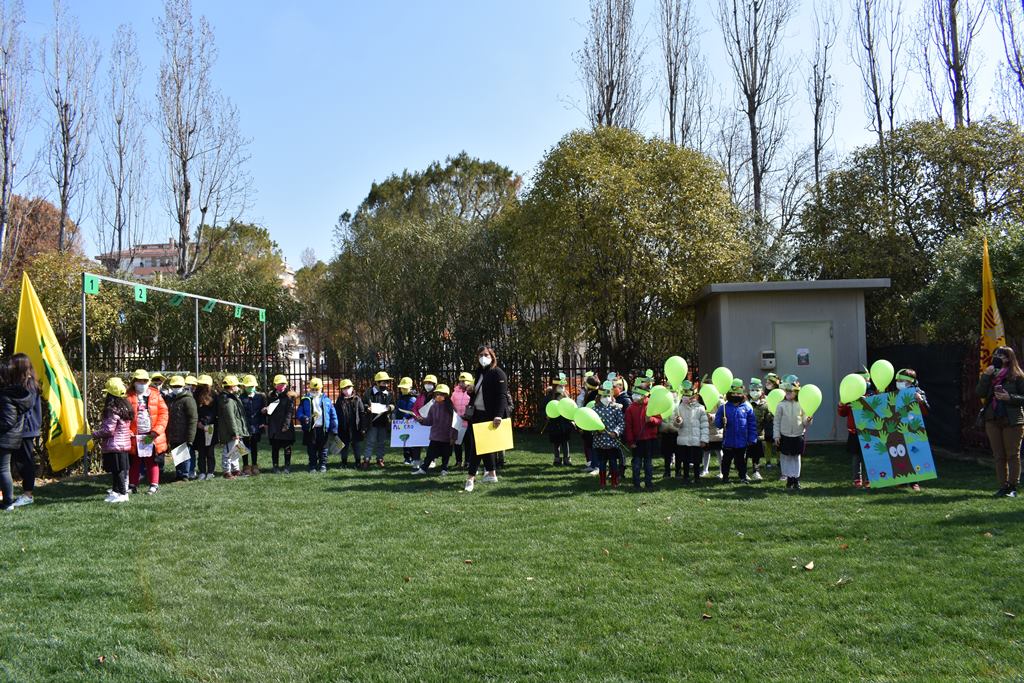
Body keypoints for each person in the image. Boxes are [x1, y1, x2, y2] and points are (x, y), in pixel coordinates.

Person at [977, 346, 1024, 497]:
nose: (997, 357)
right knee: (998, 455)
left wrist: (1010, 398)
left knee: (1012, 454)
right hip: (992, 419)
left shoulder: (1018, 376)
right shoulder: (990, 374)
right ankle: (1003, 486)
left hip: (1012, 420)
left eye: (1001, 355)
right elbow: (980, 393)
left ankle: (1012, 486)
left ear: (1009, 358)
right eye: (995, 354)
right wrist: (986, 376)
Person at [462, 345, 508, 493]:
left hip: (490, 415)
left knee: (478, 446)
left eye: (486, 355)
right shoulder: (480, 372)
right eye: (481, 355)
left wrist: (498, 415)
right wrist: (471, 391)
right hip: (477, 413)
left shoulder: (498, 373)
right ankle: (491, 474)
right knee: (484, 446)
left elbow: (502, 396)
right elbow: (482, 394)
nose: (483, 357)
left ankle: (470, 477)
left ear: (492, 357)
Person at [91, 377, 133, 503]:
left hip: (114, 445)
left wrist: (93, 434)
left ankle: (123, 494)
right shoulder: (125, 407)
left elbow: (109, 430)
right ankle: (115, 492)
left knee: (117, 471)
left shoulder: (112, 409)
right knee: (117, 470)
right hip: (123, 444)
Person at [127, 369, 169, 495]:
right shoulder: (128, 396)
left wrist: (156, 431)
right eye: (139, 381)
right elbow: (124, 417)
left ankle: (154, 485)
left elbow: (164, 414)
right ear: (134, 382)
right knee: (135, 461)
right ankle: (132, 485)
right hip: (135, 435)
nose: (142, 383)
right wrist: (128, 431)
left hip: (151, 435)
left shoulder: (156, 395)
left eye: (144, 381)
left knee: (151, 460)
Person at [7, 354, 40, 508]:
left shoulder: (29, 385)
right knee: (18, 461)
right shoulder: (23, 383)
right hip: (22, 428)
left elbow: (25, 407)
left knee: (26, 461)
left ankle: (28, 494)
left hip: (26, 429)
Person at [0, 364, 33, 511]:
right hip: (11, 437)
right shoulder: (17, 393)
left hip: (5, 437)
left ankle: (8, 502)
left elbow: (8, 420)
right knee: (3, 469)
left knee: (3, 469)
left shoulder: (6, 395)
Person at [774, 375, 812, 490]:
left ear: (796, 392)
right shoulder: (781, 405)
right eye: (786, 391)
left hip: (798, 435)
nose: (788, 393)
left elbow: (805, 421)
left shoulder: (802, 404)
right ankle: (789, 479)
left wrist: (808, 420)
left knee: (796, 458)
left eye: (791, 391)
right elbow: (776, 421)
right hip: (785, 436)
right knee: (786, 458)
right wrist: (776, 435)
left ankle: (796, 479)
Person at [715, 380, 757, 484]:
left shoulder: (747, 407)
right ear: (729, 394)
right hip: (728, 440)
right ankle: (725, 477)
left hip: (742, 441)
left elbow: (752, 424)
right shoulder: (724, 408)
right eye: (733, 393)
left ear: (742, 394)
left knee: (741, 461)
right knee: (726, 460)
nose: (735, 395)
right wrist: (722, 421)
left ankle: (743, 477)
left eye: (738, 393)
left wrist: (752, 438)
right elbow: (718, 424)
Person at [838, 369, 873, 488]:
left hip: (869, 432)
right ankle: (857, 479)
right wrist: (841, 405)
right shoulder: (850, 396)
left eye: (866, 381)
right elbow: (842, 413)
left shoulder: (871, 395)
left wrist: (866, 402)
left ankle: (869, 479)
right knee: (856, 457)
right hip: (854, 432)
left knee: (869, 456)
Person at [624, 385, 662, 491]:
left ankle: (648, 482)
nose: (635, 396)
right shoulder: (630, 408)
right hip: (637, 441)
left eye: (639, 394)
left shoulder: (652, 406)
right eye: (635, 393)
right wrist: (631, 441)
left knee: (648, 463)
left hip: (649, 440)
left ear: (645, 395)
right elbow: (628, 427)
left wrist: (651, 420)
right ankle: (636, 483)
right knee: (636, 463)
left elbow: (659, 420)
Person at [296, 377, 337, 473]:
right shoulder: (305, 400)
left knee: (324, 448)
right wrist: (303, 417)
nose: (314, 391)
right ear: (309, 389)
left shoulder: (327, 400)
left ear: (321, 388)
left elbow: (333, 415)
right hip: (311, 428)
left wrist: (334, 428)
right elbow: (299, 412)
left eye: (317, 389)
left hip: (323, 428)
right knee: (311, 448)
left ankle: (323, 464)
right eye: (313, 389)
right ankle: (312, 465)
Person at [413, 383, 457, 475]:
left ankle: (444, 469)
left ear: (446, 395)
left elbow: (455, 424)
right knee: (430, 455)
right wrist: (421, 420)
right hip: (435, 436)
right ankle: (423, 469)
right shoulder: (433, 407)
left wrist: (453, 437)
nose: (438, 396)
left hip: (447, 437)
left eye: (441, 394)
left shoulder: (451, 409)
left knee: (446, 455)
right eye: (437, 394)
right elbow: (429, 421)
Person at [673, 381, 709, 483]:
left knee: (697, 460)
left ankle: (697, 477)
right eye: (684, 395)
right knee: (685, 460)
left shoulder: (700, 408)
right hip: (684, 439)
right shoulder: (679, 408)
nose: (686, 397)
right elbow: (676, 425)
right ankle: (686, 477)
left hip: (696, 440)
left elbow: (704, 425)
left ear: (694, 395)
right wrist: (678, 421)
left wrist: (704, 439)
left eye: (688, 395)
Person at [592, 380, 625, 489]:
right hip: (600, 441)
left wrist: (616, 432)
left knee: (613, 461)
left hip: (613, 441)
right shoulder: (595, 410)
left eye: (608, 396)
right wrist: (597, 430)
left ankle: (614, 481)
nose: (606, 398)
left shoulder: (616, 408)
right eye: (604, 396)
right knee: (602, 462)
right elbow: (591, 424)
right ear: (599, 397)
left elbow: (621, 423)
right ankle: (602, 481)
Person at [165, 375, 198, 483]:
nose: (176, 388)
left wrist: (190, 437)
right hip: (174, 433)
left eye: (178, 386)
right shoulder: (170, 399)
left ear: (183, 386)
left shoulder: (188, 400)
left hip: (184, 434)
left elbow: (193, 419)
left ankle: (184, 476)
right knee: (177, 455)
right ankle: (179, 475)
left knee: (184, 456)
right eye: (174, 386)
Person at [217, 375, 249, 479]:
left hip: (235, 430)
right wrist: (235, 433)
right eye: (236, 385)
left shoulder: (231, 398)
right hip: (230, 431)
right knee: (229, 452)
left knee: (236, 451)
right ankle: (227, 472)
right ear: (231, 386)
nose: (238, 387)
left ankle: (236, 470)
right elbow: (230, 417)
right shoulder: (228, 400)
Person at [265, 374, 297, 473]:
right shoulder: (271, 396)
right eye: (279, 384)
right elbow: (268, 411)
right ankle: (275, 466)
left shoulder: (289, 396)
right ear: (275, 385)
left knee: (287, 447)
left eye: (283, 384)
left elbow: (289, 412)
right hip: (274, 426)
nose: (282, 386)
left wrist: (286, 425)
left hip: (285, 426)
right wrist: (265, 410)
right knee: (275, 448)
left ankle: (287, 466)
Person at [363, 371, 394, 469]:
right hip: (372, 421)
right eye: (384, 382)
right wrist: (367, 407)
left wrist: (390, 407)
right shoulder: (369, 392)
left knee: (381, 442)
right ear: (377, 382)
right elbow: (363, 403)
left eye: (387, 382)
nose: (386, 385)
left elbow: (393, 404)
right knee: (370, 441)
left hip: (383, 421)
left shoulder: (389, 394)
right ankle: (366, 459)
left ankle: (380, 459)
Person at [239, 374, 266, 475]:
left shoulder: (260, 397)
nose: (250, 388)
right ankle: (245, 466)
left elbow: (263, 411)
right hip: (244, 426)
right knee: (244, 447)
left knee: (254, 446)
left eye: (252, 386)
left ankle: (254, 465)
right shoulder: (241, 398)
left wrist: (262, 423)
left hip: (256, 425)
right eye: (248, 386)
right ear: (244, 387)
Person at [544, 373, 573, 466]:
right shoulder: (550, 395)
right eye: (560, 385)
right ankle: (557, 458)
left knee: (565, 441)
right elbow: (547, 407)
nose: (562, 387)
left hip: (564, 421)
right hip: (554, 422)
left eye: (562, 385)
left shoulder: (565, 395)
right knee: (556, 441)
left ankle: (567, 458)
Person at [335, 378, 365, 468]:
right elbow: (336, 414)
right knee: (344, 446)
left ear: (352, 388)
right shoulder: (339, 400)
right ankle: (344, 462)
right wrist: (336, 427)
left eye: (348, 388)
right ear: (341, 390)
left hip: (356, 427)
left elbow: (362, 413)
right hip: (343, 428)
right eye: (344, 389)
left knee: (356, 446)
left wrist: (362, 427)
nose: (346, 390)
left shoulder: (357, 399)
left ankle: (358, 462)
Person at [194, 375, 218, 480]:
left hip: (210, 426)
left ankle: (211, 471)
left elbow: (214, 412)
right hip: (199, 428)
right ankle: (202, 471)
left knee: (210, 451)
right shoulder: (195, 395)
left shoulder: (214, 395)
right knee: (201, 452)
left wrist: (205, 423)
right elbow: (194, 410)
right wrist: (198, 423)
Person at [451, 372, 475, 468]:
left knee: (468, 443)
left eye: (464, 381)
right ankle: (458, 461)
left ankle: (468, 461)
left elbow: (473, 405)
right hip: (458, 422)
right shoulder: (454, 393)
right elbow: (451, 404)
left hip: (468, 422)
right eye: (460, 381)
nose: (461, 383)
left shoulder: (472, 393)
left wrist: (468, 415)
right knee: (457, 443)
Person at [578, 373, 601, 471]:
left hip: (592, 422)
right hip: (588, 422)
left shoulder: (594, 395)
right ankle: (592, 464)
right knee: (590, 443)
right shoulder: (590, 394)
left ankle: (596, 466)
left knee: (594, 444)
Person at [747, 378, 768, 481]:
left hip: (758, 434)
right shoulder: (745, 402)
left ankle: (756, 471)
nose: (755, 392)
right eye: (752, 390)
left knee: (756, 455)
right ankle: (743, 472)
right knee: (745, 454)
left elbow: (767, 418)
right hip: (746, 434)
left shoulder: (765, 404)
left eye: (757, 390)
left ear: (761, 391)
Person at [657, 379, 680, 478]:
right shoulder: (663, 401)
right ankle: (668, 471)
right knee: (668, 453)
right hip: (666, 430)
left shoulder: (679, 402)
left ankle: (676, 471)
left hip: (675, 431)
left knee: (677, 453)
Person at [395, 377, 418, 465]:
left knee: (411, 441)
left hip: (410, 422)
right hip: (402, 423)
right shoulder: (401, 398)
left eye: (405, 388)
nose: (403, 389)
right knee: (404, 440)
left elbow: (411, 410)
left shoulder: (413, 399)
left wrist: (406, 417)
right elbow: (398, 409)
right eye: (402, 388)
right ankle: (407, 458)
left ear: (410, 388)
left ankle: (413, 457)